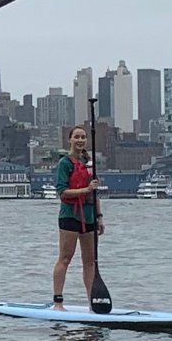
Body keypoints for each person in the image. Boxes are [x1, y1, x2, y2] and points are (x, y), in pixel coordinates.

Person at [49, 124, 105, 305]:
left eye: (83, 137)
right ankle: (58, 301)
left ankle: (92, 303)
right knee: (65, 258)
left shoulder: (89, 165)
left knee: (90, 262)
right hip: (69, 216)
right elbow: (62, 192)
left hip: (88, 217)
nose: (80, 140)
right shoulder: (64, 163)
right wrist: (85, 189)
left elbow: (94, 193)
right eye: (77, 137)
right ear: (70, 140)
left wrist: (99, 216)